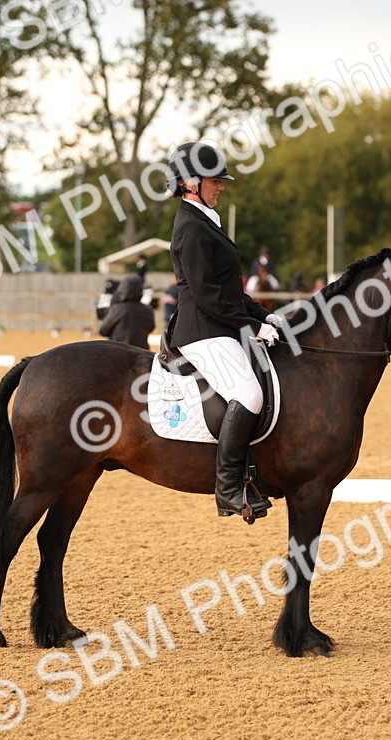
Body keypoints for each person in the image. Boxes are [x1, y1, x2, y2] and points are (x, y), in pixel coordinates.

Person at [166, 141, 285, 519]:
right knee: (249, 393)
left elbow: (230, 291)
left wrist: (264, 316)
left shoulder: (204, 221)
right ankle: (228, 488)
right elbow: (208, 297)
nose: (221, 187)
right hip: (202, 331)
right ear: (190, 183)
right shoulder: (190, 228)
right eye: (215, 181)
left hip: (218, 325)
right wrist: (251, 325)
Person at [99, 273, 155, 349]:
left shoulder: (118, 308)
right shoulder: (148, 309)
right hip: (143, 353)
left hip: (122, 353)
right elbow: (151, 327)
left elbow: (103, 330)